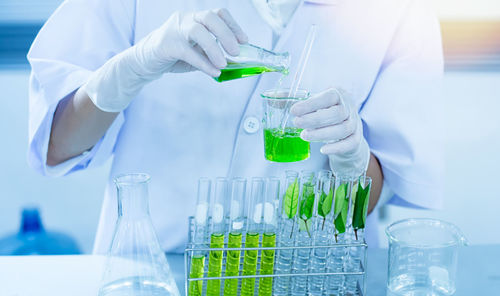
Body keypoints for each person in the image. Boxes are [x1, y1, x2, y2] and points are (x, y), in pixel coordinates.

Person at [27, 0, 443, 253]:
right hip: (155, 272)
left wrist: (354, 162)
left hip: (309, 276)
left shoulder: (399, 10)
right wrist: (130, 70)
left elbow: (371, 197)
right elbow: (56, 145)